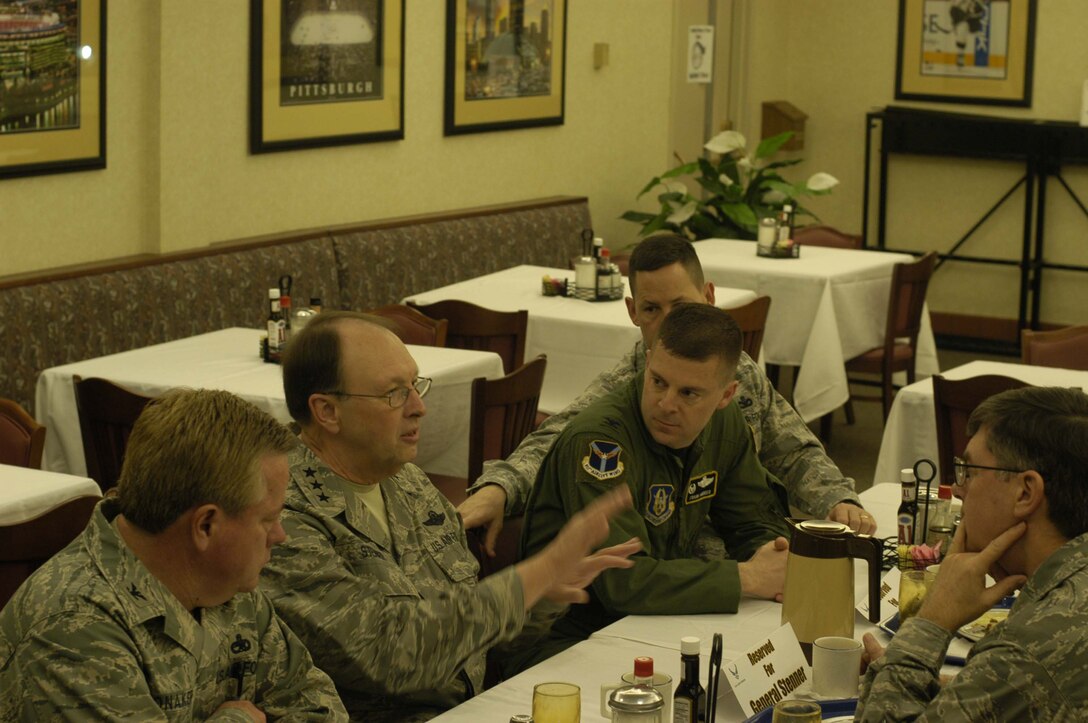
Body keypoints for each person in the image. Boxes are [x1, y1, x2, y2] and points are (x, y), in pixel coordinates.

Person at [262, 310, 640, 722]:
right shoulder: (280, 520)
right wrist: (535, 575)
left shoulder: (407, 483)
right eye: (394, 393)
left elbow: (473, 637)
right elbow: (389, 653)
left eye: (415, 384)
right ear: (327, 411)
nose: (419, 407)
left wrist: (543, 596)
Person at [460, 233, 874, 558]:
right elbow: (557, 440)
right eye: (651, 309)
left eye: (680, 305)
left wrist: (836, 500)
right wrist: (500, 487)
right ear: (632, 312)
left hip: (750, 539)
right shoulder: (630, 382)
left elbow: (793, 450)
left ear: (709, 298)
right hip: (676, 560)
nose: (667, 323)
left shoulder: (740, 372)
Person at [0, 389, 346, 721]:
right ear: (206, 526)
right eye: (268, 519)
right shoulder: (73, 632)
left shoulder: (226, 583)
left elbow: (317, 705)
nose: (280, 535)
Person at [513, 303, 792, 669]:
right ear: (647, 362)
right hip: (567, 637)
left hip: (656, 622)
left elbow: (753, 520)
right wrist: (749, 577)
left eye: (689, 393)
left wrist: (772, 557)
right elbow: (622, 581)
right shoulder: (601, 444)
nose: (665, 404)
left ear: (726, 395)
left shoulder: (724, 424)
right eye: (658, 381)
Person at [856, 386, 1088, 721]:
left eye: (970, 471)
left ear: (1026, 492)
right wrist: (940, 682)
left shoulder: (1026, 652)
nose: (959, 488)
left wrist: (930, 622)